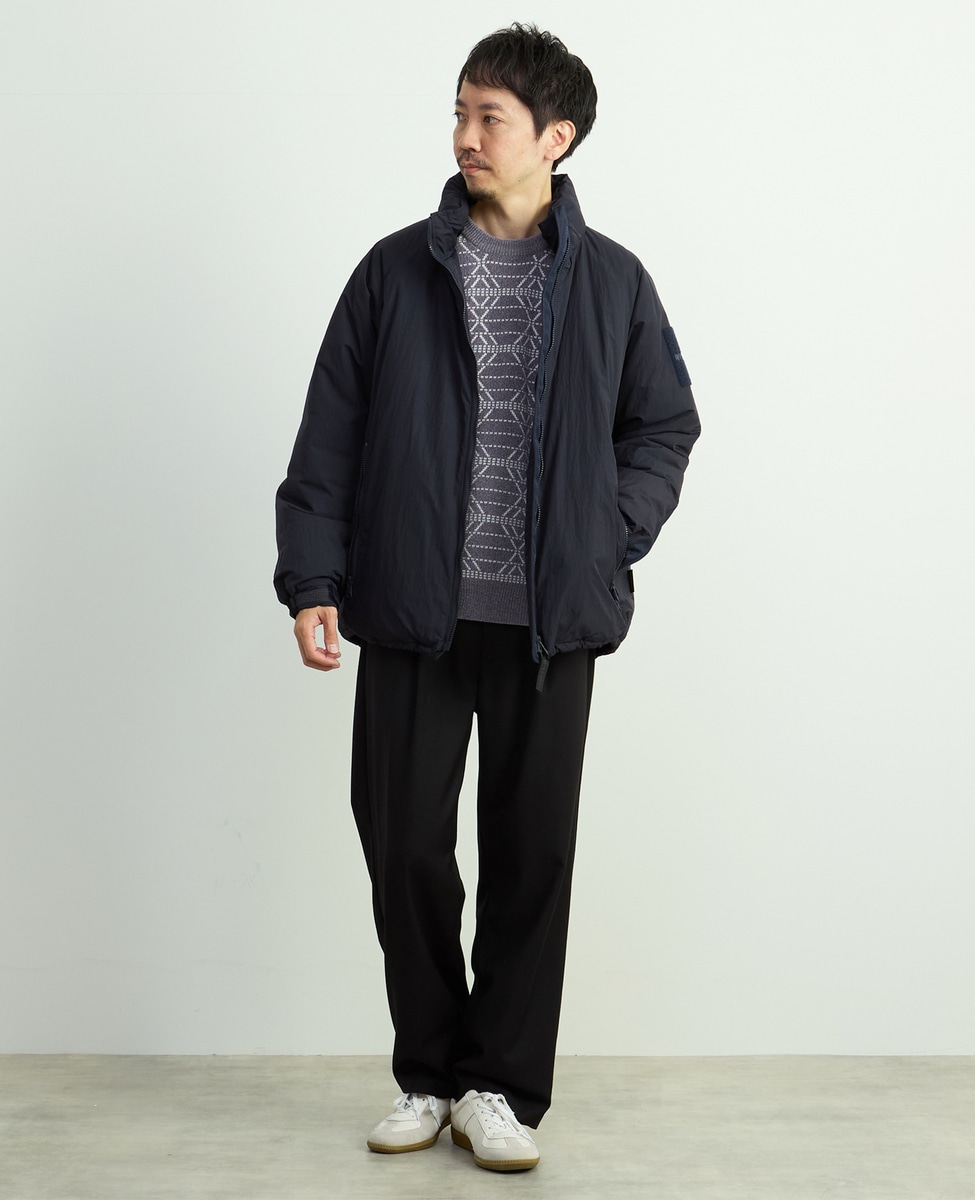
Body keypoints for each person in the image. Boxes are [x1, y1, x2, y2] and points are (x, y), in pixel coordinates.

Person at [274, 22, 700, 1173]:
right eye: (459, 111)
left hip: (550, 624)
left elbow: (664, 425)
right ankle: (428, 1072)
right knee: (405, 846)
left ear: (555, 137)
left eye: (490, 117)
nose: (465, 135)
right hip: (414, 608)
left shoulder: (613, 283)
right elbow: (329, 437)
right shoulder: (393, 273)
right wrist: (312, 578)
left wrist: (605, 536)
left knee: (530, 858)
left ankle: (499, 1089)